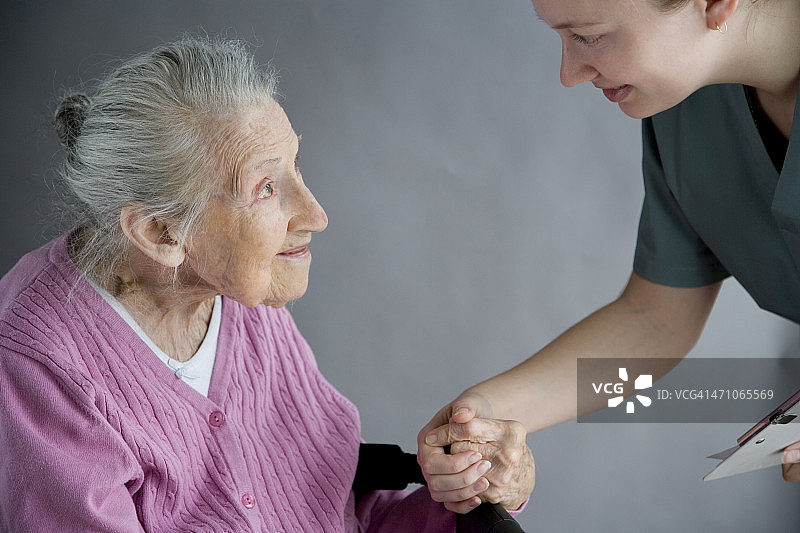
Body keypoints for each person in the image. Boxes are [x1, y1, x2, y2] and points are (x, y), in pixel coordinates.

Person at [0, 37, 534, 532]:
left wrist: (470, 489)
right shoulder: (42, 361)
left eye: (296, 166)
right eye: (266, 187)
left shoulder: (243, 296)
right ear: (161, 232)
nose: (316, 214)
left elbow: (347, 513)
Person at [417, 0, 800, 511]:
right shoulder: (686, 100)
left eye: (588, 37)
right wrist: (486, 413)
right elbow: (657, 321)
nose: (569, 74)